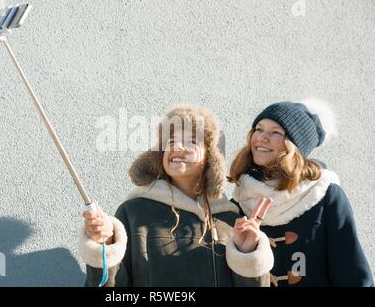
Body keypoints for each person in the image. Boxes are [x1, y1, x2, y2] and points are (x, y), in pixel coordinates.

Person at [78, 104, 274, 286]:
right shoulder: (134, 212)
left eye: (190, 141)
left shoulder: (231, 221)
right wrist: (105, 247)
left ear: (210, 157)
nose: (177, 147)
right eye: (171, 141)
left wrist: (248, 256)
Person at [228, 99, 374, 286]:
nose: (262, 137)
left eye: (275, 132)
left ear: (294, 146)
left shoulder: (324, 195)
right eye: (259, 129)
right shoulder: (241, 200)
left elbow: (352, 274)